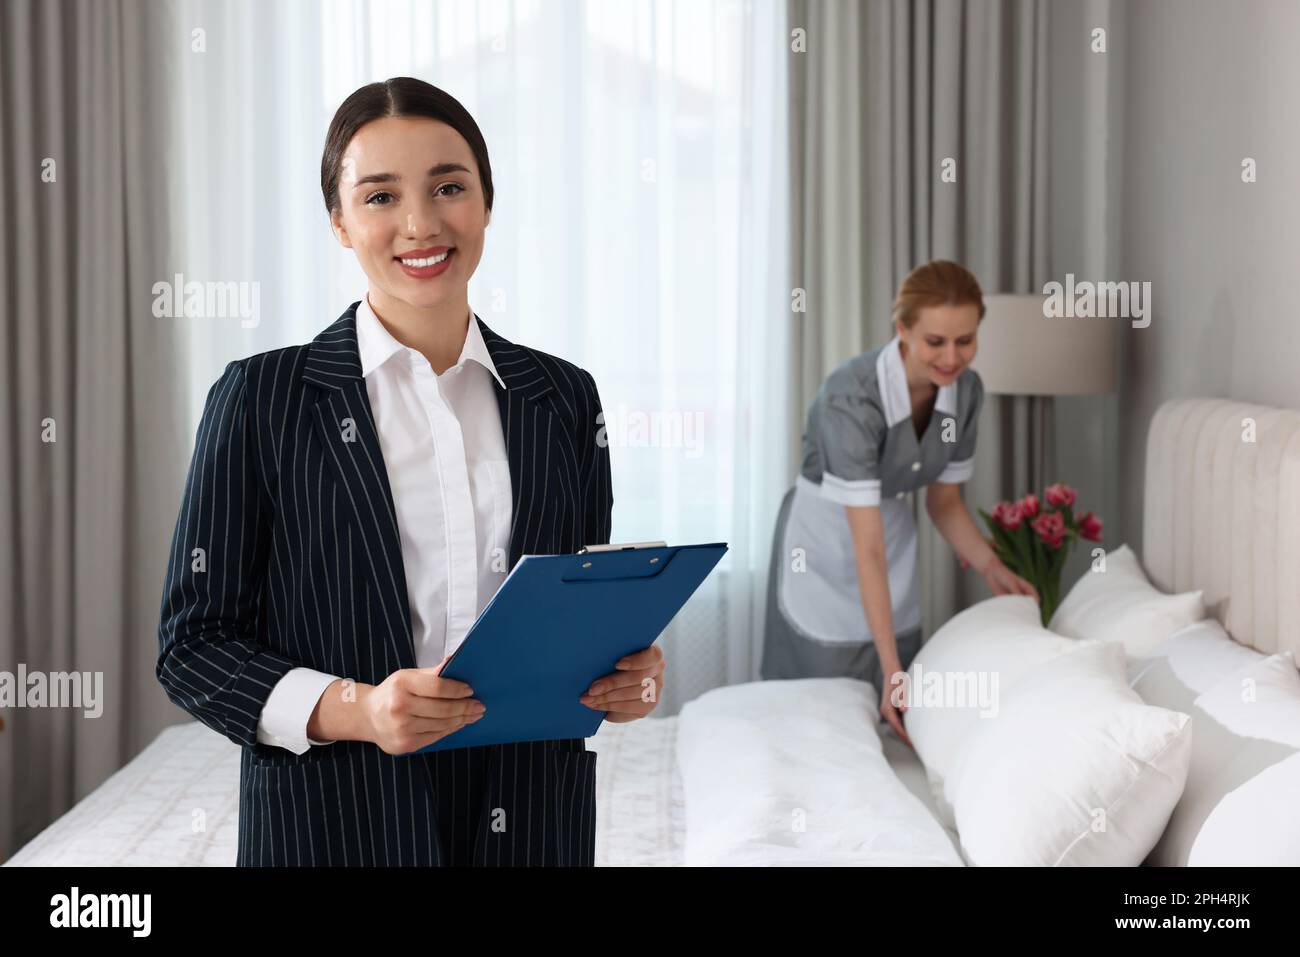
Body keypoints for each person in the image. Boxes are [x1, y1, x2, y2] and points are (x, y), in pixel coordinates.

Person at [156, 77, 664, 866]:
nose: (421, 224)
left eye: (448, 187)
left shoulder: (563, 397)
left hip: (530, 821)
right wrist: (359, 710)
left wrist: (624, 675)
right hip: (336, 823)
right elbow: (193, 646)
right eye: (380, 196)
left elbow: (571, 605)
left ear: (487, 203)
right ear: (339, 221)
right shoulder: (262, 399)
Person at [761, 260, 1037, 743]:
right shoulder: (852, 397)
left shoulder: (966, 392)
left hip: (888, 536)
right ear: (903, 329)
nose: (952, 357)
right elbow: (865, 548)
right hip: (825, 545)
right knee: (819, 715)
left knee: (894, 718)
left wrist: (993, 567)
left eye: (965, 340)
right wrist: (893, 670)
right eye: (935, 341)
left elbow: (944, 502)